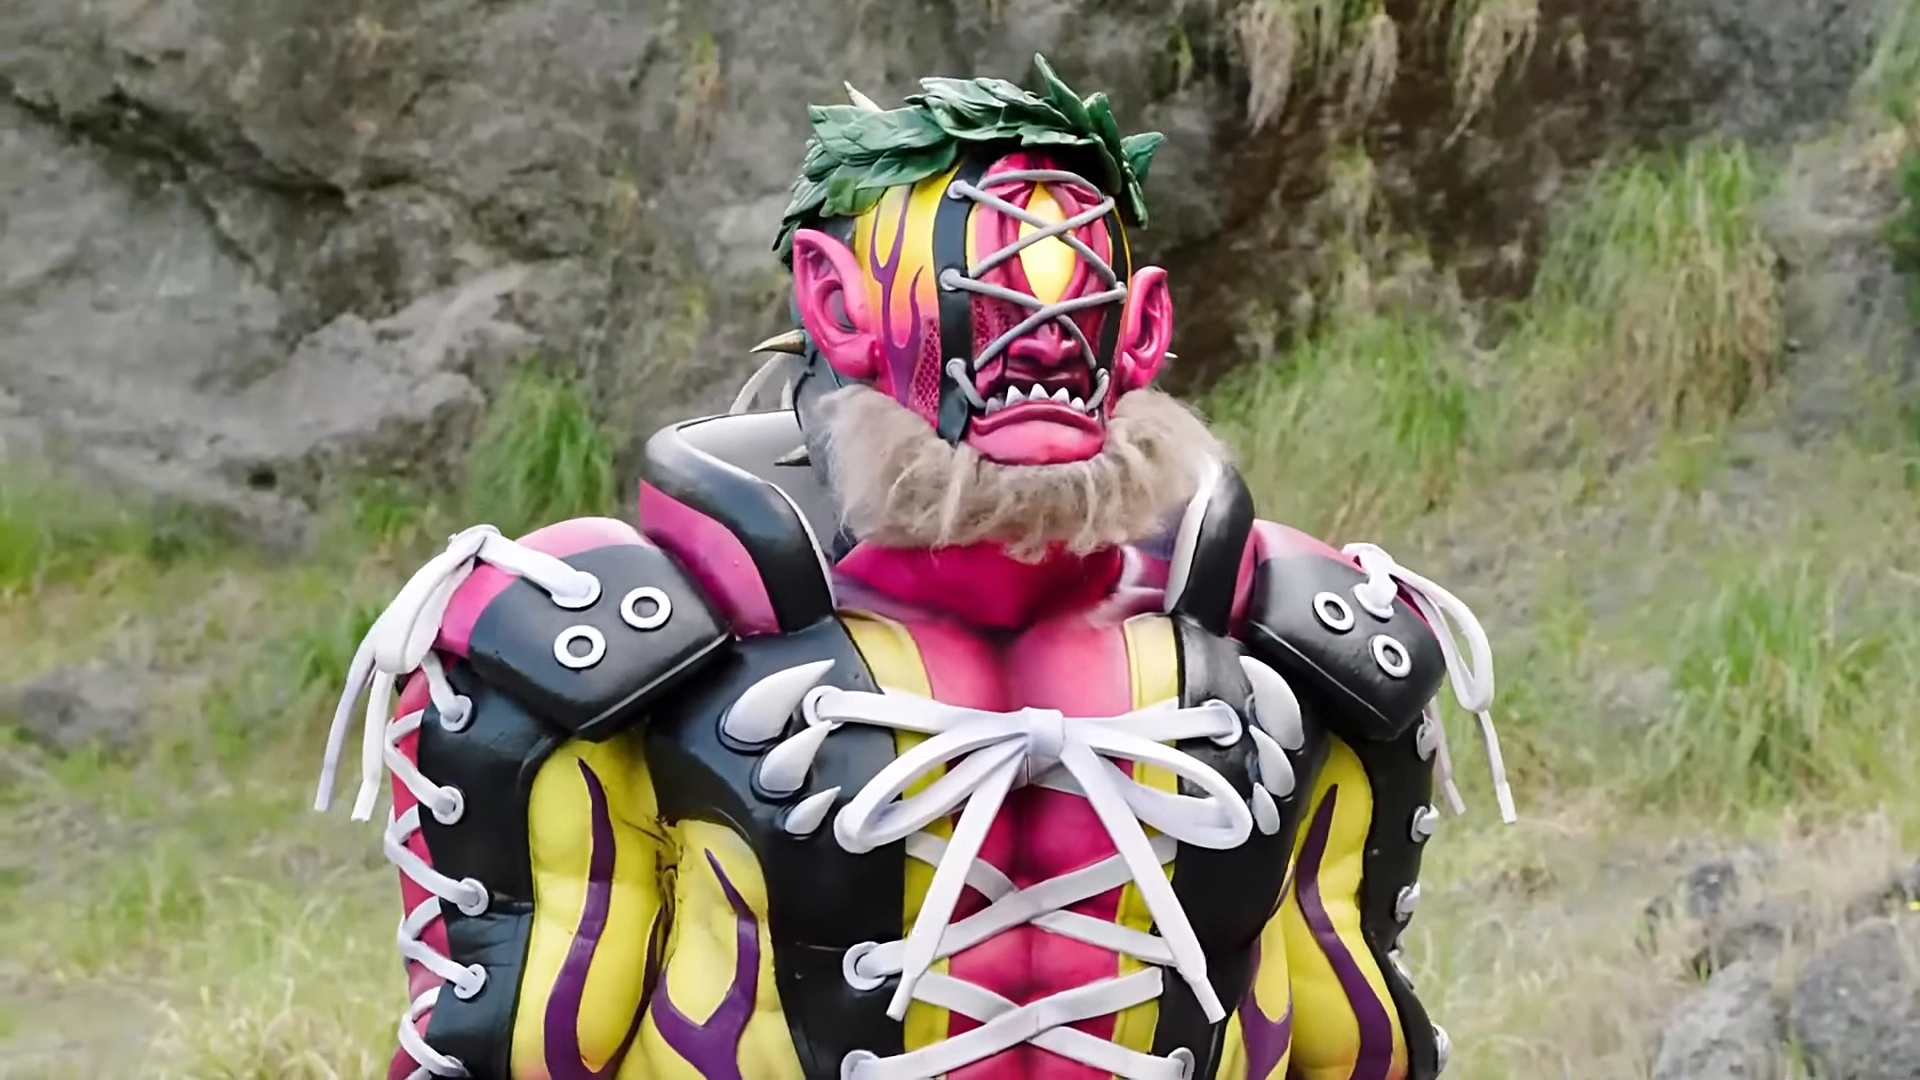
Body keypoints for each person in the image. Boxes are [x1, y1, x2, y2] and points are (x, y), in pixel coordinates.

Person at [316, 53, 1512, 1080]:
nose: (1037, 329)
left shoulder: (1298, 646)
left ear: (1141, 325)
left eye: (1067, 279)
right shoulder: (600, 645)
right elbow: (515, 1042)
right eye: (990, 276)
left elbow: (1354, 1029)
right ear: (835, 304)